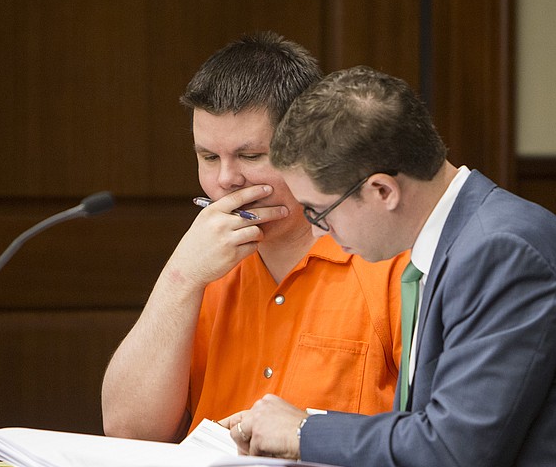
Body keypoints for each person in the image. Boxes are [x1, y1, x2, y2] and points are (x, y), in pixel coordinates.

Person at [222, 66, 556, 467]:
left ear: (381, 190)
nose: (318, 229)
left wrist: (305, 431)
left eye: (319, 212)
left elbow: (453, 456)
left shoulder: (502, 249)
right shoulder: (460, 240)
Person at [101, 34, 409, 443]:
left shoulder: (385, 260)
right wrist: (181, 276)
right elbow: (128, 431)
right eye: (209, 158)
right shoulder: (205, 264)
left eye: (250, 156)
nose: (226, 180)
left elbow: (425, 443)